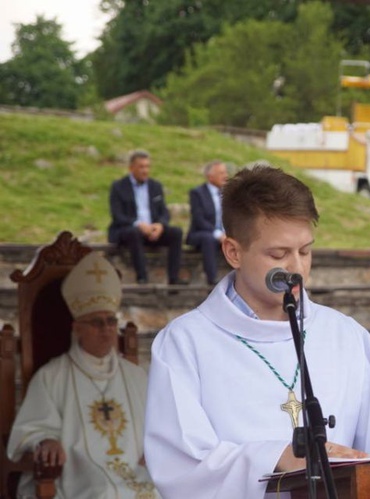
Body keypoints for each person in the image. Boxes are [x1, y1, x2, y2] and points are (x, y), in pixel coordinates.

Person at [143, 164, 370, 498]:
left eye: (305, 251)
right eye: (279, 254)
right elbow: (181, 466)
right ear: (233, 252)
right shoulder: (184, 343)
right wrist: (274, 457)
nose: (296, 268)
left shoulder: (342, 334)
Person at [7, 252, 158, 498]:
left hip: (136, 470)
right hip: (79, 474)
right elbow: (31, 429)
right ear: (77, 329)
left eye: (111, 321)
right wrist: (46, 441)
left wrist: (155, 448)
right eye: (96, 322)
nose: (107, 329)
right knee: (104, 492)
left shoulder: (135, 375)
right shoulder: (51, 377)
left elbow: (159, 426)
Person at [108, 149, 185, 285]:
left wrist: (160, 225)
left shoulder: (155, 186)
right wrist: (138, 224)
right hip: (130, 230)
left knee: (176, 232)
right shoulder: (119, 187)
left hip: (152, 230)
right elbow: (117, 215)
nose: (145, 170)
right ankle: (142, 278)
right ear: (131, 168)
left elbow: (164, 212)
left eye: (147, 166)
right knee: (134, 232)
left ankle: (174, 278)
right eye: (141, 167)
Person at [187, 160, 229, 285]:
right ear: (210, 177)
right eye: (221, 173)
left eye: (225, 172)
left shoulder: (228, 193)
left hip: (224, 234)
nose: (226, 176)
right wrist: (218, 235)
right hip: (202, 233)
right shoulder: (197, 193)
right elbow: (199, 219)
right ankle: (212, 279)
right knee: (208, 239)